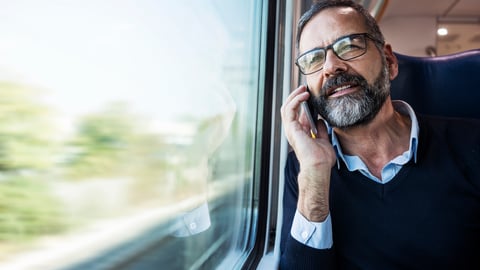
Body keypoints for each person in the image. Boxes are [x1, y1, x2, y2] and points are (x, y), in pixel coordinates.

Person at [279, 0, 480, 269]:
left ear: (389, 62)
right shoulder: (303, 168)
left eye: (349, 45)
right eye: (314, 59)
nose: (330, 67)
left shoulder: (472, 141)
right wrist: (315, 174)